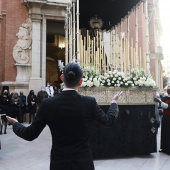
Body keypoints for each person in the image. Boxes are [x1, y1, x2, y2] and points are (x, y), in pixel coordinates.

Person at [7, 63, 123, 170]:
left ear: (62, 78)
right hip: (83, 163)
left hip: (59, 163)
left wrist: (15, 124)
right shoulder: (89, 102)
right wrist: (113, 102)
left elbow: (30, 134)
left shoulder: (48, 104)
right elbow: (109, 121)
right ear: (81, 82)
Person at [154, 85, 170, 154]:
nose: (168, 88)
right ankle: (163, 148)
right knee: (164, 132)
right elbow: (161, 104)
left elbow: (168, 107)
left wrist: (160, 102)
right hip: (165, 117)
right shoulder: (166, 97)